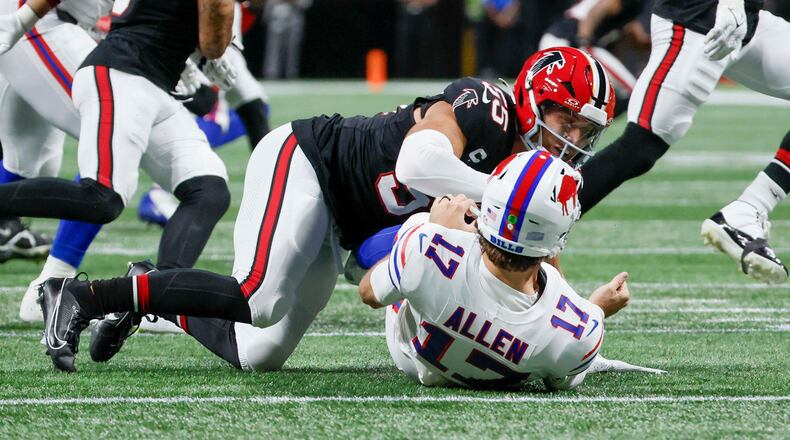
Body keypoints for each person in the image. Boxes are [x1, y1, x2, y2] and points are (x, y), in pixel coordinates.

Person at [36, 47, 616, 374]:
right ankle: (84, 296)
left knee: (259, 351)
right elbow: (416, 163)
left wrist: (575, 335)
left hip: (348, 222)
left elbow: (540, 273)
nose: (573, 140)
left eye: (585, 132)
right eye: (567, 121)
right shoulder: (486, 109)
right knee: (258, 296)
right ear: (536, 99)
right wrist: (491, 193)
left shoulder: (532, 178)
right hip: (310, 160)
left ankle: (153, 286)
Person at [0, 0, 238, 323]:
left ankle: (162, 296)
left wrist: (181, 50)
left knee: (34, 160)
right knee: (104, 179)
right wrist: (21, 20)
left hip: (92, 36)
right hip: (40, 20)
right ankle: (49, 288)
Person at [358, 153, 656, 389]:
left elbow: (368, 293)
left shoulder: (427, 248)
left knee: (419, 221)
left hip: (411, 357)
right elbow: (558, 380)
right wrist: (596, 309)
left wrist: (435, 228)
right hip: (489, 368)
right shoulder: (582, 329)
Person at [577, 0, 789, 284]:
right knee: (639, 147)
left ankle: (748, 210)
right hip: (696, 17)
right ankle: (524, 227)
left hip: (747, 21)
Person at [539, 0, 649, 117]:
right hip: (569, 41)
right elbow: (600, 7)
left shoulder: (634, 11)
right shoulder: (633, 4)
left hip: (555, 41)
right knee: (632, 90)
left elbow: (638, 37)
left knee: (560, 95)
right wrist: (583, 40)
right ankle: (594, 120)